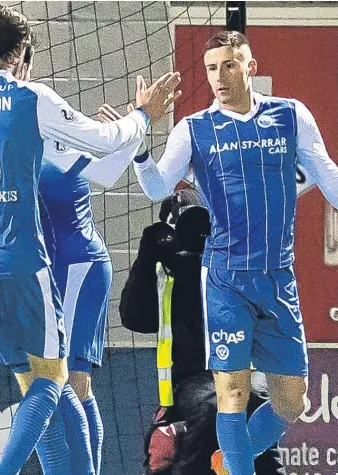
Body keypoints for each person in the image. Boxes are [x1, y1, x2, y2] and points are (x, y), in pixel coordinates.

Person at [0, 5, 181, 474]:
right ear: (20, 51)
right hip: (21, 259)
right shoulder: (30, 99)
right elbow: (105, 143)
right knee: (53, 378)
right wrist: (143, 117)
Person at [133, 30, 338, 475]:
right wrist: (141, 140)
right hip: (225, 278)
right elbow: (155, 187)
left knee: (291, 402)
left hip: (278, 279)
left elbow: (329, 178)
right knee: (232, 394)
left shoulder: (290, 116)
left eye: (229, 65)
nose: (220, 77)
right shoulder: (195, 129)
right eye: (211, 68)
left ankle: (228, 462)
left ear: (250, 65)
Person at [119, 189, 285, 475]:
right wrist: (147, 259)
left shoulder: (239, 259)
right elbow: (136, 320)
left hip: (248, 373)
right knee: (212, 410)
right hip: (196, 383)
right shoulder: (166, 271)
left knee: (247, 405)